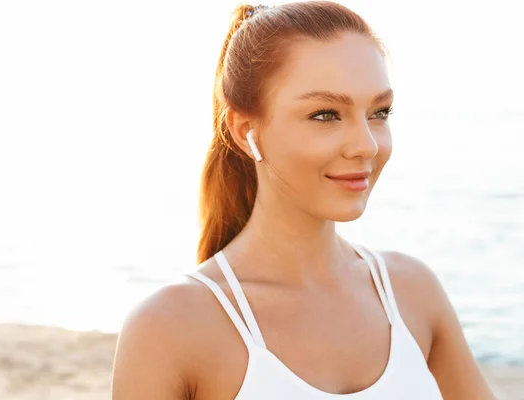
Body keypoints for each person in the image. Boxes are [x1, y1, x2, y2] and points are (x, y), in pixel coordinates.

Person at [112, 2, 496, 399]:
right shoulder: (170, 328)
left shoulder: (411, 292)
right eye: (326, 114)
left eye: (379, 112)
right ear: (245, 131)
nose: (365, 145)